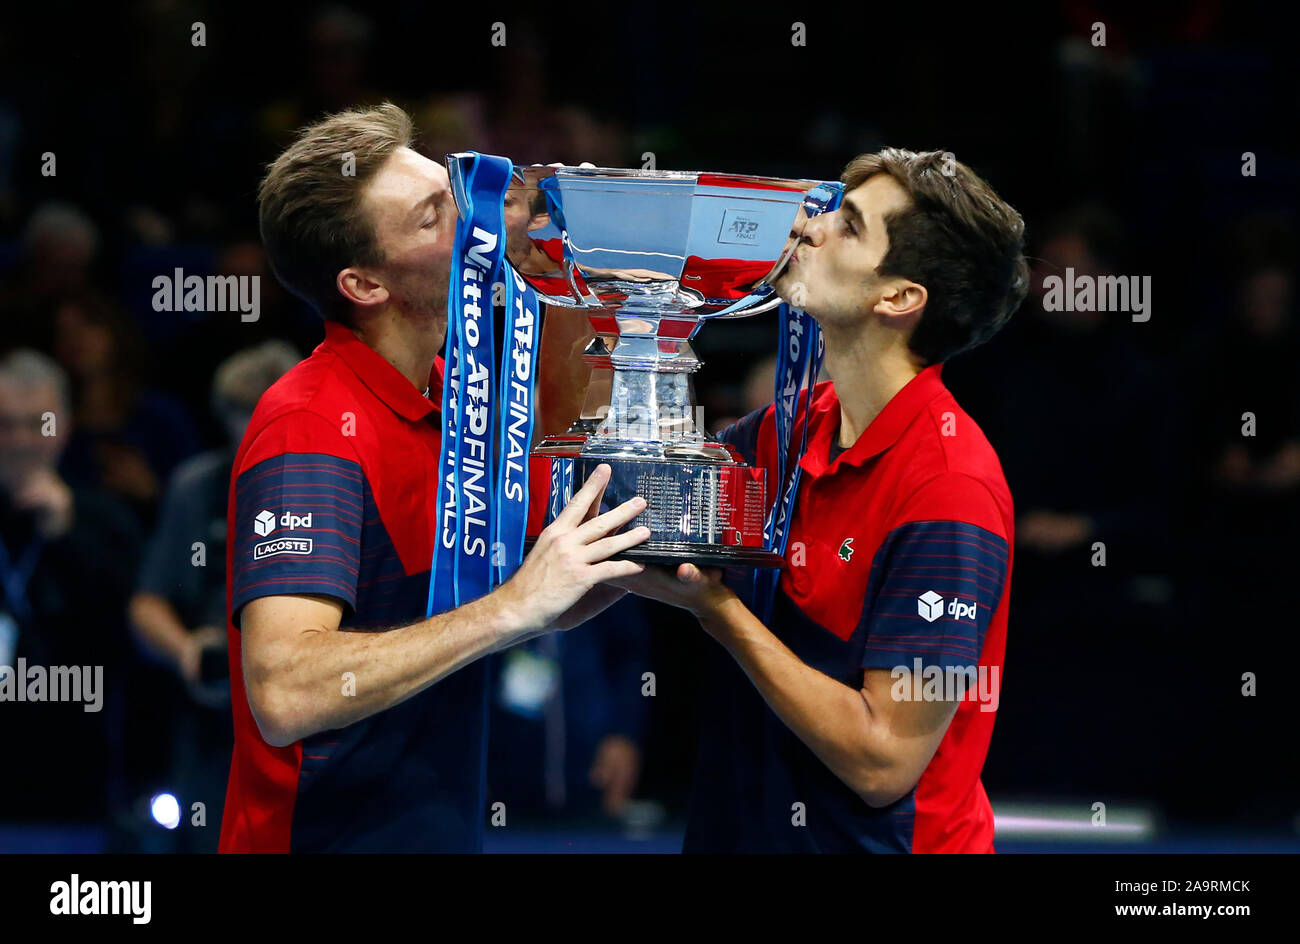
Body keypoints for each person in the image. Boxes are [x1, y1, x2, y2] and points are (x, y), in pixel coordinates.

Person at [219, 103, 649, 853]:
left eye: (455, 194)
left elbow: (556, 575)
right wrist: (510, 608)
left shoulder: (462, 399)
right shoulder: (311, 426)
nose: (478, 223)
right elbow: (285, 692)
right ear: (365, 283)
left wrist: (565, 283)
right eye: (433, 217)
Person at [614, 149, 1029, 852]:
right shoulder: (790, 425)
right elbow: (633, 514)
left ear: (898, 298)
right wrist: (626, 317)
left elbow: (882, 763)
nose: (810, 225)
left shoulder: (949, 488)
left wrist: (719, 613)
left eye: (850, 225)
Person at [129, 340, 301, 851]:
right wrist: (184, 647)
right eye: (239, 415)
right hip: (214, 715)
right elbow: (148, 601)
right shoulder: (198, 485)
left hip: (311, 706)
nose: (253, 430)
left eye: (266, 413)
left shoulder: (335, 477)